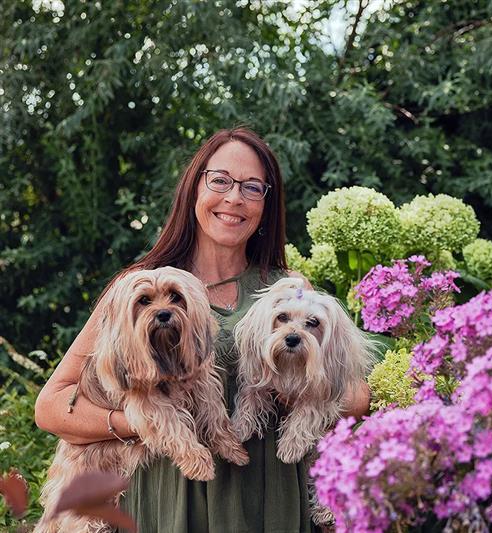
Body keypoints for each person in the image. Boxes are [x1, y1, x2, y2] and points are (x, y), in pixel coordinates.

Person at [34, 127, 371, 532]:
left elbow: (355, 397)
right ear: (195, 187)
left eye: (252, 187)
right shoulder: (138, 290)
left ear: (267, 203)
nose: (234, 198)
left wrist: (291, 386)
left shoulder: (288, 291)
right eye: (220, 180)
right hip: (166, 501)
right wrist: (139, 423)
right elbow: (50, 407)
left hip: (271, 501)